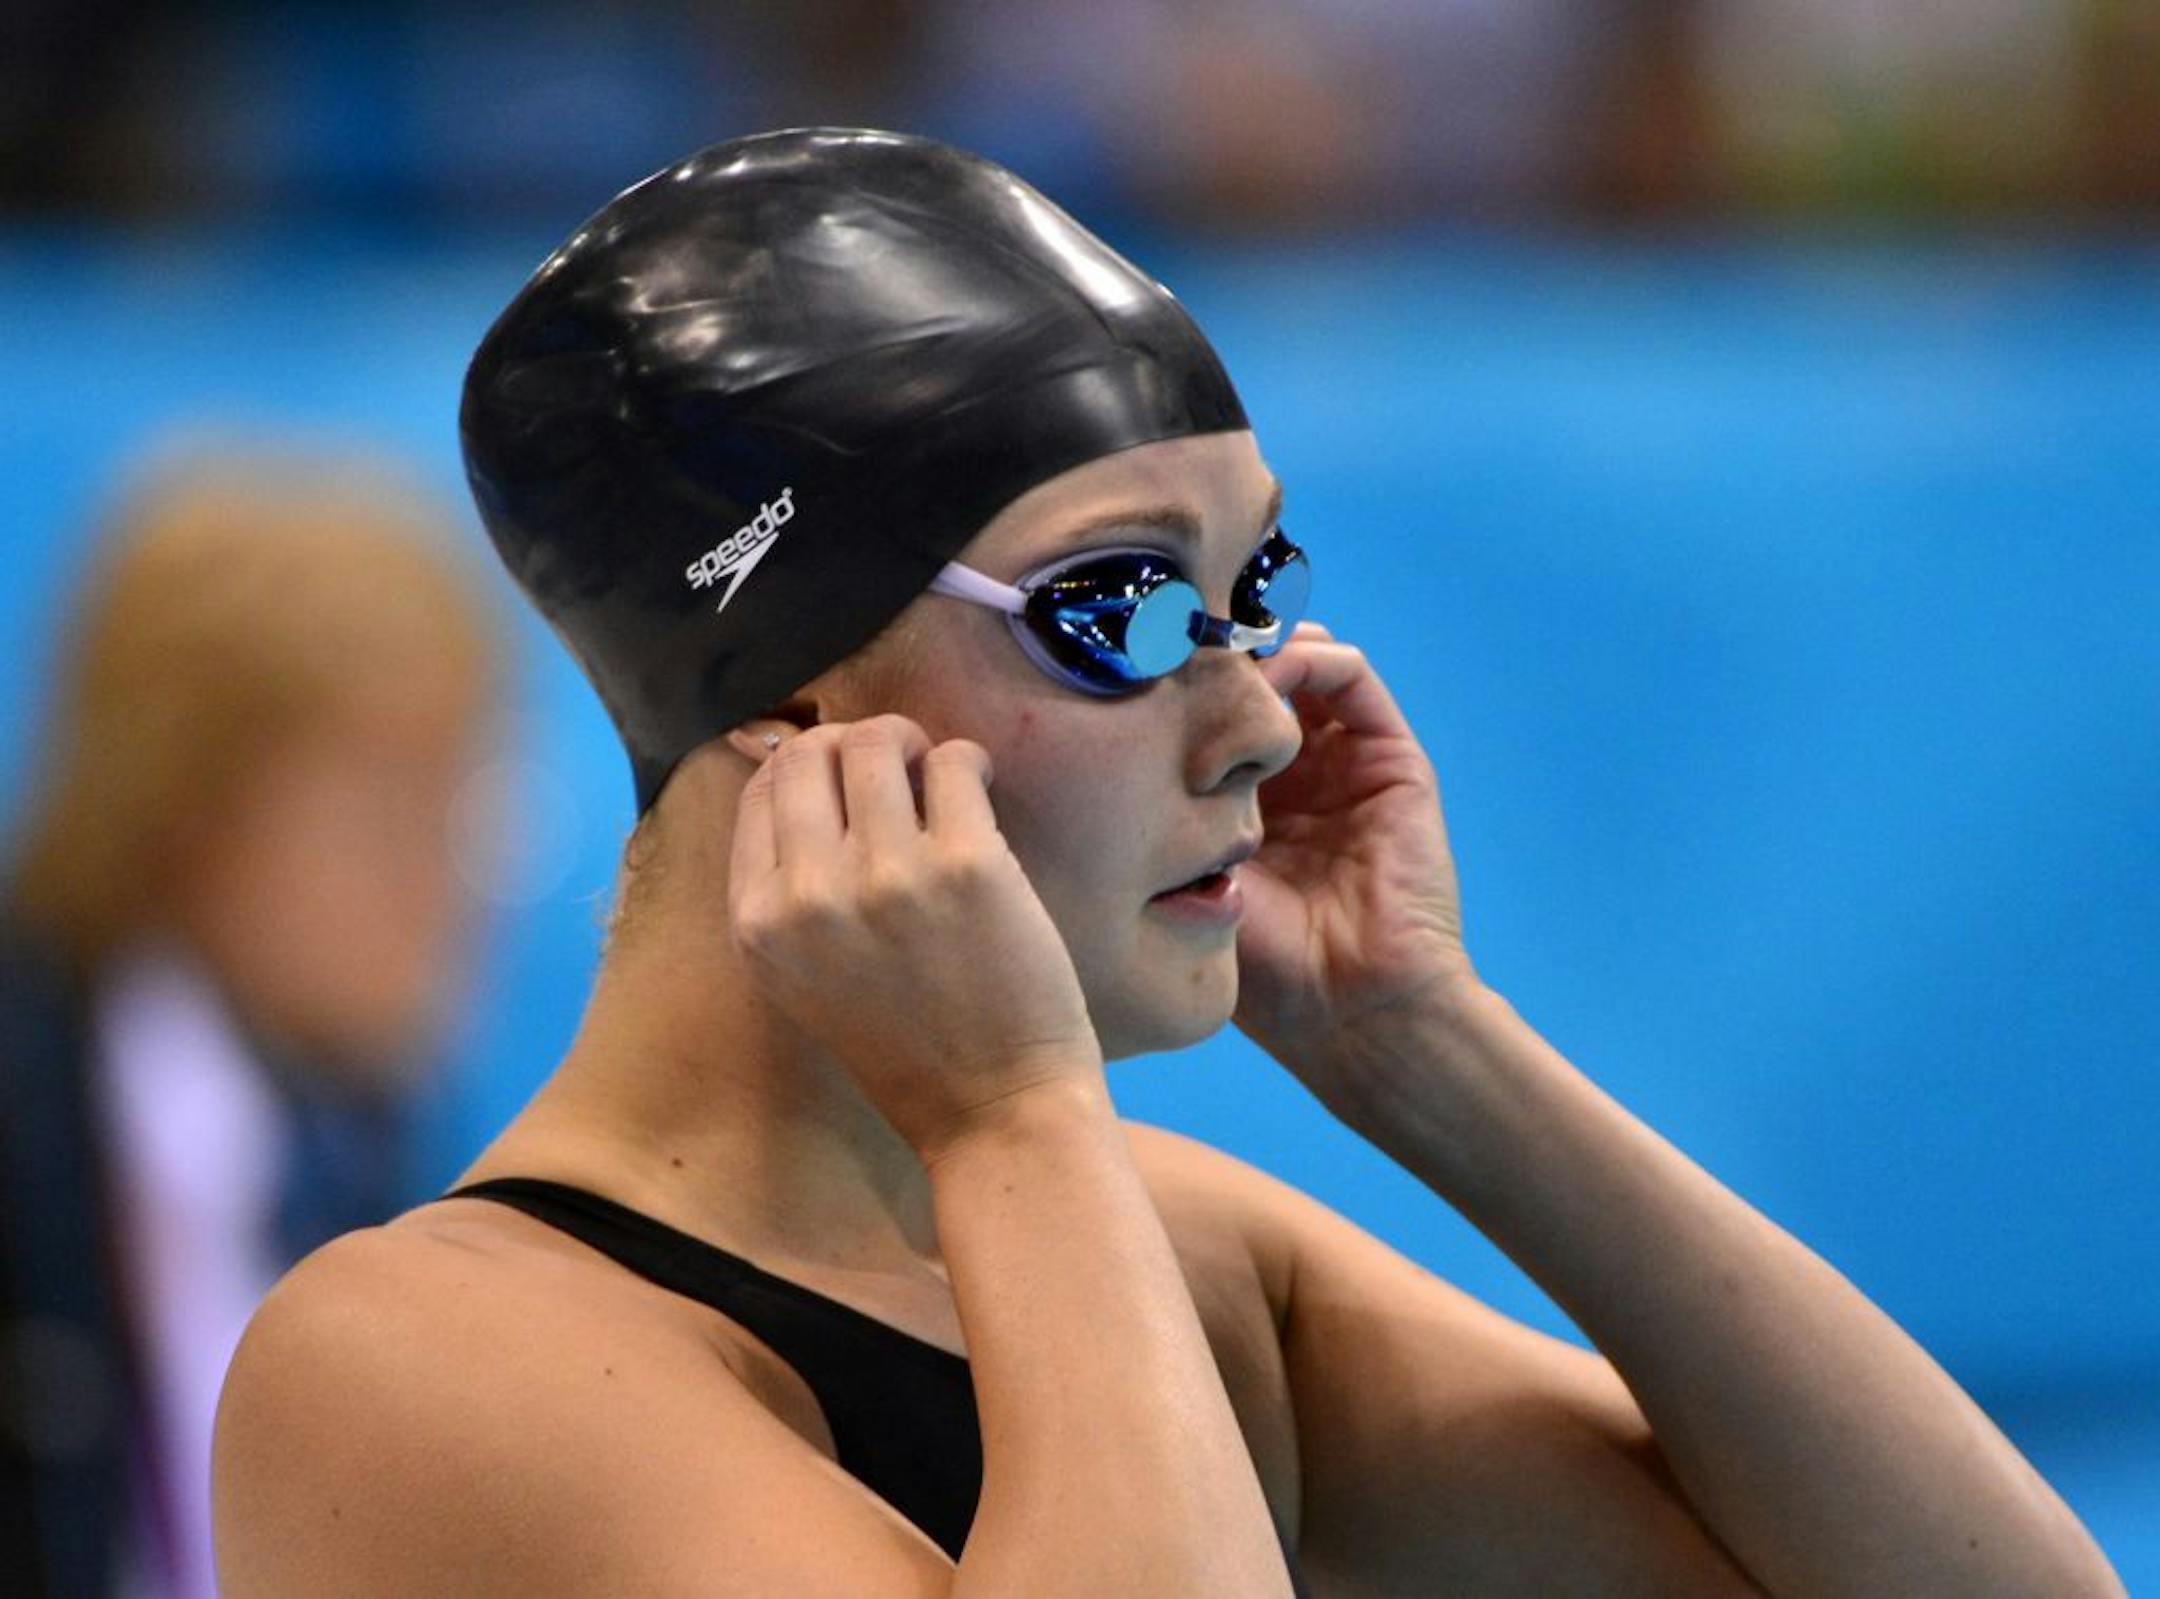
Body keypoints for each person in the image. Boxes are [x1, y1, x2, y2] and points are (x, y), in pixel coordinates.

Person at [210, 129, 2124, 1596]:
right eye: (1117, 605)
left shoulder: (1190, 1262)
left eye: (1255, 590)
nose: (1263, 716)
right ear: (786, 719)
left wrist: (1422, 1046)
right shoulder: (405, 1356)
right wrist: (1012, 1122)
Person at [0, 443, 502, 1598]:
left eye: (463, 802)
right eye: (388, 813)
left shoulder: (358, 1134)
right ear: (185, 817)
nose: (448, 880)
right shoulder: (35, 1109)